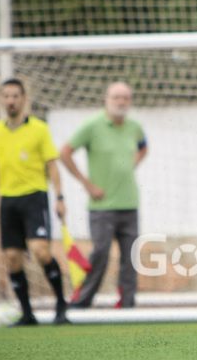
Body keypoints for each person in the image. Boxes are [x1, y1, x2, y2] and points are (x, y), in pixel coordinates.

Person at [0, 78, 70, 326]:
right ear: (1, 100)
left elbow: (52, 165)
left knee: (40, 250)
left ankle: (61, 305)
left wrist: (60, 197)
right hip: (8, 200)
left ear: (24, 100)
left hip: (35, 196)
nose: (11, 101)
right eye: (6, 96)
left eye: (15, 96)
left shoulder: (39, 129)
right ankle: (27, 313)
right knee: (12, 257)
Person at [60, 82, 147, 309]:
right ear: (106, 99)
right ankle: (83, 300)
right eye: (116, 97)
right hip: (102, 206)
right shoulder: (92, 126)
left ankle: (127, 302)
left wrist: (131, 165)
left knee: (130, 257)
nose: (121, 102)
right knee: (100, 254)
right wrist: (86, 183)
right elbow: (65, 152)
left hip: (129, 202)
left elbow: (143, 147)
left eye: (126, 98)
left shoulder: (134, 127)